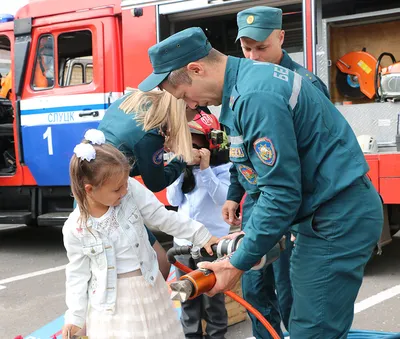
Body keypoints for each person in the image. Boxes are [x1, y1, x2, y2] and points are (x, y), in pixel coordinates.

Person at [138, 27, 383, 339]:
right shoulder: (246, 86)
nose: (189, 104)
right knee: (305, 322)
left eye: (184, 95)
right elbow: (265, 182)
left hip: (336, 219)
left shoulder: (255, 96)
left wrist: (235, 265)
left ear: (195, 69)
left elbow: (281, 193)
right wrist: (249, 237)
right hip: (320, 218)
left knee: (313, 331)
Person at [222, 6, 332, 337]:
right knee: (255, 287)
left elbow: (318, 157)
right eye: (247, 49)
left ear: (281, 37)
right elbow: (240, 147)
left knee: (289, 292)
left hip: (293, 204)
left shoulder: (306, 85)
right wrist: (233, 194)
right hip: (257, 204)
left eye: (262, 47)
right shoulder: (238, 88)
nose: (254, 56)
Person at [62, 129, 218, 339]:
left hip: (149, 287)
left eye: (125, 183)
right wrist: (74, 318)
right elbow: (77, 275)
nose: (124, 191)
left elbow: (162, 217)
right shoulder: (76, 227)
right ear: (89, 190)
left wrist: (201, 235)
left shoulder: (130, 191)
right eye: (117, 189)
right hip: (111, 306)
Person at [98, 89, 205, 279]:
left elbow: (128, 162)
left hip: (97, 191)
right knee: (157, 264)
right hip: (111, 199)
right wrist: (181, 160)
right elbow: (156, 183)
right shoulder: (151, 133)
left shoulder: (130, 100)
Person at [167, 113, 230, 339]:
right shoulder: (181, 169)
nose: (190, 146)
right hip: (183, 244)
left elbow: (221, 198)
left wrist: (205, 169)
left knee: (214, 301)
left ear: (208, 143)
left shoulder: (223, 168)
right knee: (184, 298)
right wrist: (178, 168)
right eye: (186, 140)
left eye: (195, 140)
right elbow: (173, 200)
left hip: (211, 244)